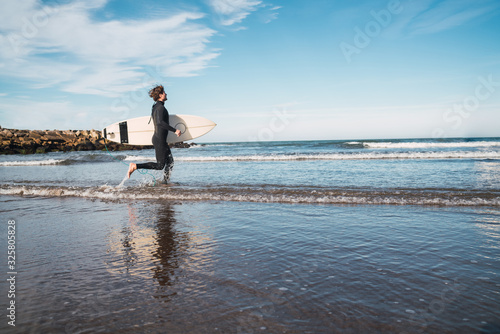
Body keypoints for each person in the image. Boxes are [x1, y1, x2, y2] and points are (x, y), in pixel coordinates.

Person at [127, 85, 181, 183]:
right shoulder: (160, 107)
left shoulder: (156, 106)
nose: (166, 94)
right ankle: (135, 166)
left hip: (160, 139)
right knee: (160, 165)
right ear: (160, 95)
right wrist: (175, 130)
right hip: (159, 139)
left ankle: (165, 182)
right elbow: (160, 122)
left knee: (170, 162)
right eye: (164, 92)